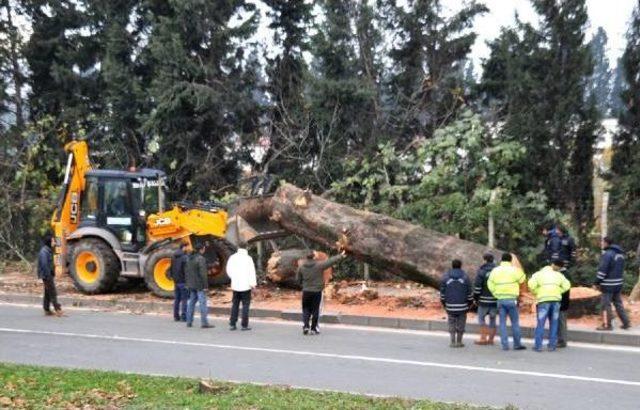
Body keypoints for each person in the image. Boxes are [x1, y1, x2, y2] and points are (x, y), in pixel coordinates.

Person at [296, 249, 346, 335]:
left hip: (306, 291)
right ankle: (313, 328)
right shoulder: (319, 265)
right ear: (314, 257)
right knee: (316, 310)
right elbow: (330, 261)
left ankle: (306, 326)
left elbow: (298, 279)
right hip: (317, 291)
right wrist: (341, 255)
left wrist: (303, 285)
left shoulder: (301, 267)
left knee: (306, 309)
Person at [528, 258, 571, 352]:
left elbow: (531, 285)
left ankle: (538, 346)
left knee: (541, 324)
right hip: (555, 301)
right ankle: (552, 346)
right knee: (554, 323)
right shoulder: (559, 275)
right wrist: (559, 291)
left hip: (543, 300)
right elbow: (567, 285)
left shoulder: (538, 274)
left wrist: (537, 292)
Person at [488, 253, 527, 351]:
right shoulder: (516, 270)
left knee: (502, 323)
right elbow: (523, 280)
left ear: (501, 260)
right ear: (510, 260)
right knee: (515, 323)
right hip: (512, 300)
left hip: (500, 300)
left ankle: (505, 345)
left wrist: (496, 293)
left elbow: (490, 284)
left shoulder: (495, 271)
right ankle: (517, 344)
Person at [595, 237, 631, 331]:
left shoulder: (607, 254)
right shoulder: (620, 254)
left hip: (608, 284)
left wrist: (597, 282)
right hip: (618, 283)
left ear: (607, 243)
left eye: (603, 242)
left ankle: (607, 325)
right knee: (618, 303)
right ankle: (626, 322)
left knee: (605, 305)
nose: (602, 244)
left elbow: (603, 270)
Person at [440, 259, 473, 348]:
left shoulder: (445, 277)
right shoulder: (465, 277)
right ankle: (459, 341)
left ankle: (452, 341)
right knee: (461, 323)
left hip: (450, 305)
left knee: (451, 322)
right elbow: (469, 292)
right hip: (462, 306)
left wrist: (444, 303)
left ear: (452, 265)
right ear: (460, 265)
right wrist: (470, 303)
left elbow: (442, 292)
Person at [226, 245, 257, 331]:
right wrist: (253, 285)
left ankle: (232, 323)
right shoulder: (248, 259)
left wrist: (233, 278)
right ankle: (244, 325)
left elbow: (228, 270)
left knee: (235, 304)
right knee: (245, 306)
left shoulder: (232, 258)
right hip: (246, 286)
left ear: (238, 248)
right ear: (246, 248)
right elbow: (252, 272)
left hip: (235, 285)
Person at [555, 226, 575, 348]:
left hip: (562, 301)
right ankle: (559, 339)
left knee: (561, 321)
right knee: (559, 321)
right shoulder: (561, 274)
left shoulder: (564, 275)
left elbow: (565, 288)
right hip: (561, 300)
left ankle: (562, 340)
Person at [185, 243, 212, 328]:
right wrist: (205, 286)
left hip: (191, 284)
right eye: (204, 248)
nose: (204, 250)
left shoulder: (189, 258)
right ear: (201, 249)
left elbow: (187, 272)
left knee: (191, 303)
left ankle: (189, 321)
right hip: (199, 285)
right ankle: (204, 323)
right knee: (202, 303)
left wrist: (188, 283)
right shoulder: (201, 259)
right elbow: (203, 274)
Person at [473, 253, 497, 345]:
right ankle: (491, 339)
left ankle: (483, 338)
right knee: (493, 319)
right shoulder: (497, 271)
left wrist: (476, 298)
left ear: (484, 260)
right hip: (494, 300)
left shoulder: (481, 271)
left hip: (483, 300)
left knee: (481, 319)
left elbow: (477, 287)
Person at [37, 232, 63, 317]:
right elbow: (44, 265)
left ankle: (46, 309)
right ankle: (58, 310)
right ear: (49, 242)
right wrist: (48, 276)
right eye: (53, 241)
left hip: (48, 275)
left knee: (47, 293)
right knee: (53, 292)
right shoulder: (44, 252)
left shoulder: (48, 250)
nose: (54, 243)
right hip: (46, 275)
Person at [170, 243, 189, 322]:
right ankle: (183, 316)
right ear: (184, 247)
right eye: (187, 247)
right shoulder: (184, 257)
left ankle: (176, 316)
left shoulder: (173, 256)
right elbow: (186, 270)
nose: (187, 249)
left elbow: (171, 269)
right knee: (184, 299)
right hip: (183, 281)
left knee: (177, 299)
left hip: (176, 281)